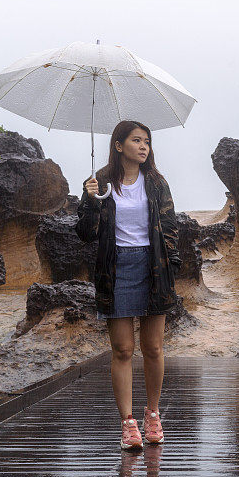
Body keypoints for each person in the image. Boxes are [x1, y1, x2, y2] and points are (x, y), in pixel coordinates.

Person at [75, 120, 182, 451]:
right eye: (137, 140)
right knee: (122, 349)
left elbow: (170, 226)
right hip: (116, 268)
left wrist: (171, 267)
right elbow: (85, 233)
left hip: (153, 267)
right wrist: (91, 200)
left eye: (147, 141)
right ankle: (128, 424)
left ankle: (152, 414)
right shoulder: (100, 183)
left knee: (153, 348)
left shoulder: (157, 183)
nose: (144, 146)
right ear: (119, 145)